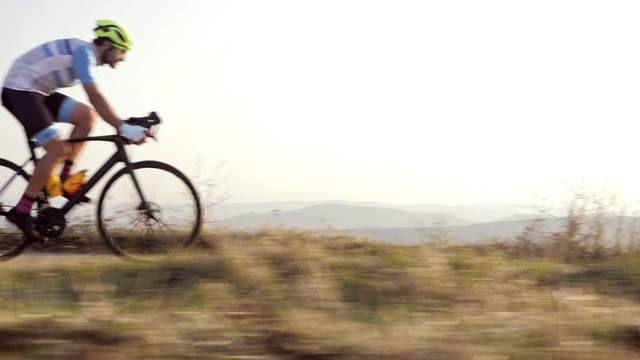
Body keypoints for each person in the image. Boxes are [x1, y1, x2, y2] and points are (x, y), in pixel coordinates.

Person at [1, 20, 152, 241]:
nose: (123, 58)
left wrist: (126, 124)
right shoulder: (85, 54)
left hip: (39, 92)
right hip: (19, 90)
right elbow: (95, 95)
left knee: (87, 116)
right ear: (108, 44)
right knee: (57, 150)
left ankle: (65, 180)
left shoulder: (87, 55)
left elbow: (95, 105)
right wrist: (121, 126)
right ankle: (21, 211)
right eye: (122, 51)